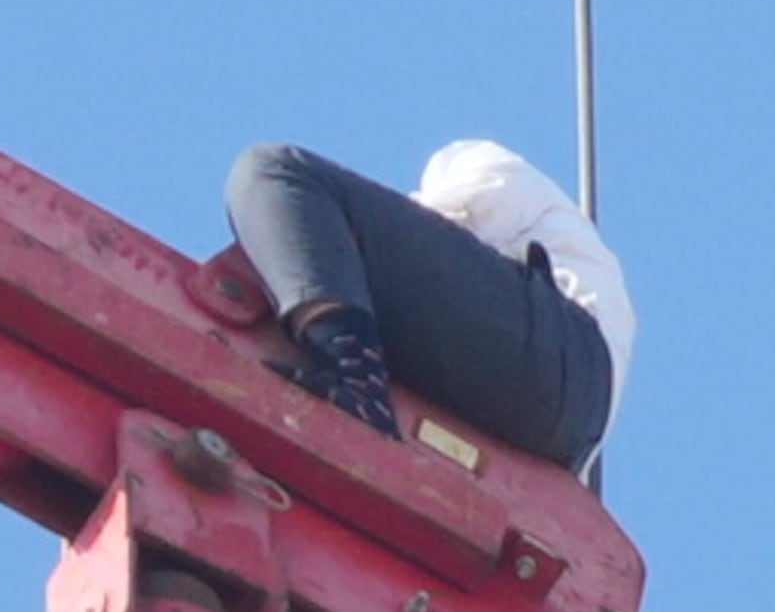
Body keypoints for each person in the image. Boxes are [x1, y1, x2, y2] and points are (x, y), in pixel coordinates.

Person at [224, 140, 634, 479]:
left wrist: (302, 247)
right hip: (559, 434)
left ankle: (355, 378)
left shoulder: (469, 160)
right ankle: (358, 382)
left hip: (562, 354)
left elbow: (451, 217)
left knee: (276, 175)